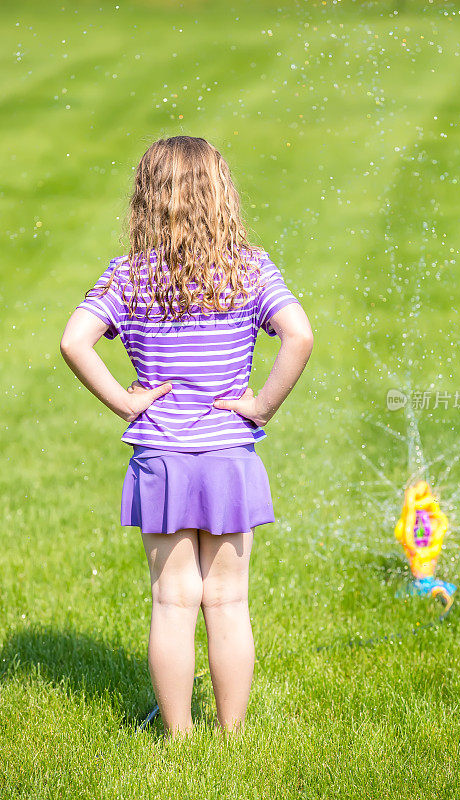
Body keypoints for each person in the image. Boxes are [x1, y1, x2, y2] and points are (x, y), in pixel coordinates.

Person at [59, 135, 314, 740]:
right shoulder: (249, 266)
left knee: (173, 601)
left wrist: (125, 401)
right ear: (222, 195)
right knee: (227, 602)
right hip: (229, 456)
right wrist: (260, 407)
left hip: (163, 461)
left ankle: (178, 737)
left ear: (145, 200)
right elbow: (298, 336)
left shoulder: (129, 275)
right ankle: (231, 735)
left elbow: (74, 341)